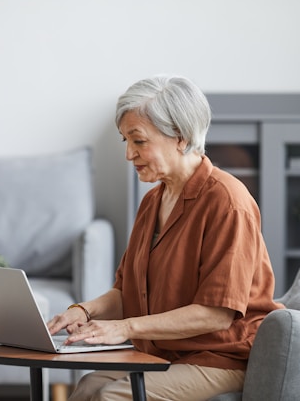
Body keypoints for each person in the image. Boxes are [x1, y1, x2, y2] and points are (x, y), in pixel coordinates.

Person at [47, 75, 283, 401]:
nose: (129, 154)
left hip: (222, 357)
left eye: (139, 141)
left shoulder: (227, 201)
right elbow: (125, 292)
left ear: (181, 138)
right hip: (166, 352)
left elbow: (216, 314)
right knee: (89, 385)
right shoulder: (152, 201)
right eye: (125, 141)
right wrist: (83, 311)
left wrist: (125, 328)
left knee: (114, 396)